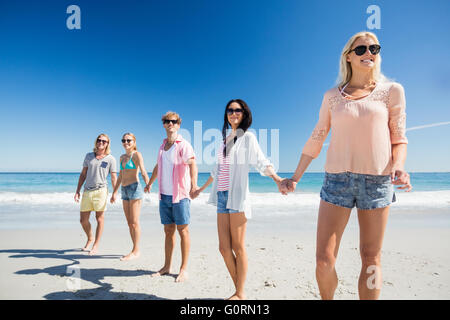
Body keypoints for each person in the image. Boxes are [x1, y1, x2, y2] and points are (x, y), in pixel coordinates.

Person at [282, 31, 412, 300]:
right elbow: (317, 137)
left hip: (377, 182)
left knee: (371, 258)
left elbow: (399, 138)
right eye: (362, 49)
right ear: (348, 56)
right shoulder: (332, 96)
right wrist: (295, 177)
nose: (369, 54)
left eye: (374, 49)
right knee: (323, 261)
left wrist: (399, 166)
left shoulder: (392, 92)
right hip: (336, 181)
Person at [194, 99, 285, 300]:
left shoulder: (248, 138)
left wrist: (278, 179)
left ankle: (239, 293)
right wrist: (200, 189)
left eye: (237, 110)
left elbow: (261, 161)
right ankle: (240, 289)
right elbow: (216, 171)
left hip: (237, 196)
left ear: (244, 114)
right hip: (221, 196)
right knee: (224, 248)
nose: (233, 113)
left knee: (238, 247)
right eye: (230, 110)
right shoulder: (224, 140)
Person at [145, 111, 198, 282]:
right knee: (168, 231)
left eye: (174, 121)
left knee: (183, 230)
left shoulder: (184, 145)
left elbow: (193, 164)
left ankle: (183, 269)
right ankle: (167, 266)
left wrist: (194, 185)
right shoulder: (162, 146)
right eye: (167, 121)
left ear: (178, 124)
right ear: (164, 124)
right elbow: (157, 166)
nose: (170, 124)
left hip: (180, 195)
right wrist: (149, 182)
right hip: (164, 195)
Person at [75, 133, 117, 255]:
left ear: (107, 144)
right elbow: (83, 174)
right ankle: (90, 238)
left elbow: (114, 177)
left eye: (104, 141)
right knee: (83, 220)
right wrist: (77, 190)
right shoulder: (89, 156)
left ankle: (96, 245)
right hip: (87, 190)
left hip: (101, 191)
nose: (101, 142)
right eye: (99, 140)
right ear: (96, 141)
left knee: (99, 219)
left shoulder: (110, 159)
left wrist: (114, 192)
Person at [110, 133, 150, 261]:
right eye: (124, 140)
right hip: (124, 190)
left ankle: (135, 250)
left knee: (134, 222)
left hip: (135, 188)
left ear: (134, 141)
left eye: (129, 140)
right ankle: (134, 248)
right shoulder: (122, 157)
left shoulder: (137, 155)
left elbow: (143, 171)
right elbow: (121, 175)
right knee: (129, 223)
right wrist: (114, 192)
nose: (126, 142)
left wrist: (148, 184)